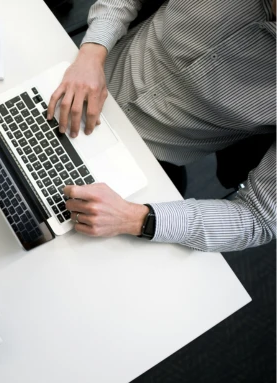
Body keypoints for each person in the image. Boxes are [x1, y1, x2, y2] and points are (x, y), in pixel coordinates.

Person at [48, 0, 276, 252]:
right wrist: (92, 53)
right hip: (76, 74)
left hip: (140, 165)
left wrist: (134, 218)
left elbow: (258, 218)